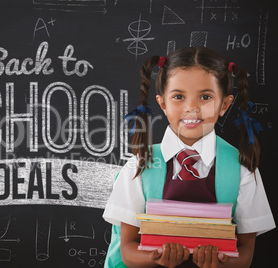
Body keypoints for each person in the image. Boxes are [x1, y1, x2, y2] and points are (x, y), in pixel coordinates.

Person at [102, 47, 275, 268]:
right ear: (162, 103)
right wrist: (156, 257)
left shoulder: (242, 168)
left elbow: (245, 256)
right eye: (178, 96)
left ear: (224, 104)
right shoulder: (138, 166)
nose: (191, 107)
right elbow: (127, 251)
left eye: (205, 97)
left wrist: (219, 262)